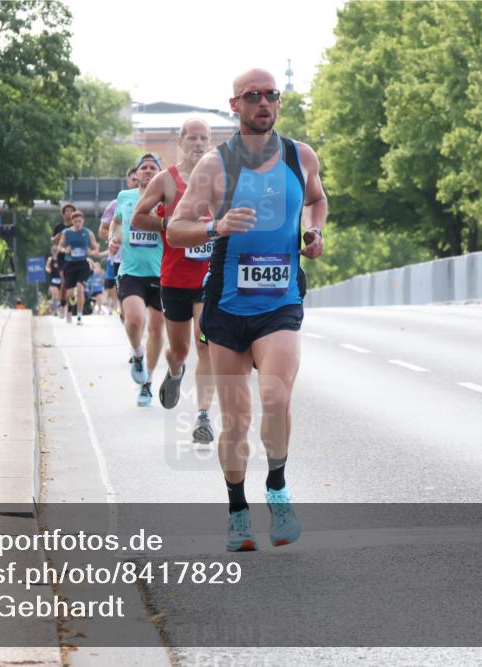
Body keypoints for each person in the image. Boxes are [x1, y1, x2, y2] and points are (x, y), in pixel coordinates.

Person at [168, 69, 327, 552]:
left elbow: (317, 201)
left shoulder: (301, 157)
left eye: (271, 95)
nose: (264, 103)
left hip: (280, 301)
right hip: (228, 306)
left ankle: (277, 488)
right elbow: (176, 230)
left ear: (278, 103)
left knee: (276, 398)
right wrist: (216, 227)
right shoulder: (214, 167)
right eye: (253, 96)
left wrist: (315, 234)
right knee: (235, 419)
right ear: (234, 104)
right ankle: (238, 510)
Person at [133, 119, 216, 442]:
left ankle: (204, 416)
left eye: (204, 138)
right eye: (192, 138)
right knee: (179, 349)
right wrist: (171, 225)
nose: (198, 143)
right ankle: (176, 371)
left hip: (210, 277)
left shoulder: (221, 179)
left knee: (205, 341)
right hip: (176, 277)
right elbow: (140, 216)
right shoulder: (167, 180)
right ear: (181, 142)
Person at [109, 153, 164, 407]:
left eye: (154, 168)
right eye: (144, 167)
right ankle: (138, 353)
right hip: (131, 271)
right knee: (134, 320)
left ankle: (147, 383)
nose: (149, 171)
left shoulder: (168, 199)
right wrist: (113, 238)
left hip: (162, 273)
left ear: (160, 174)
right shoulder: (125, 197)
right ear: (137, 173)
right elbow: (116, 223)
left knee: (155, 329)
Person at [101, 168, 138, 316]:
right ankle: (126, 315)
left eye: (138, 179)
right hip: (122, 258)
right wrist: (113, 239)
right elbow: (103, 230)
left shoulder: (157, 201)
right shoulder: (117, 203)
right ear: (128, 182)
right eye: (133, 179)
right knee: (124, 294)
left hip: (150, 259)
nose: (137, 182)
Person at [57, 210, 100, 325]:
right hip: (70, 264)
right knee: (70, 293)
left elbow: (96, 248)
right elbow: (59, 247)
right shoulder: (66, 232)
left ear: (83, 221)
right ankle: (69, 310)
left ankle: (79, 316)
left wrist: (92, 252)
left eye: (80, 221)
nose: (78, 223)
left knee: (80, 288)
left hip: (82, 264)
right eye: (75, 221)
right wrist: (64, 250)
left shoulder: (88, 233)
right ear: (72, 221)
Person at [45, 242, 64, 317]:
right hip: (53, 279)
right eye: (53, 250)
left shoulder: (61, 259)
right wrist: (48, 269)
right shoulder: (50, 259)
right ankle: (55, 310)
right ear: (51, 251)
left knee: (59, 296)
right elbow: (46, 267)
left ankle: (57, 310)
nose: (55, 252)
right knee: (55, 295)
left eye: (56, 250)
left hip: (61, 280)